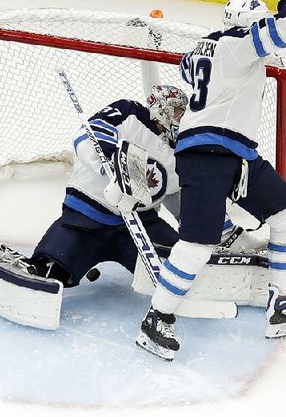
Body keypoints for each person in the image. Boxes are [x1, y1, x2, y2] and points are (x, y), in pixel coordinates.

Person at [137, 0, 286, 361]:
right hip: (209, 152)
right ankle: (156, 318)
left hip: (235, 154)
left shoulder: (204, 48)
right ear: (248, 24)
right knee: (197, 244)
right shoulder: (238, 44)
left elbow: (188, 67)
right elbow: (282, 32)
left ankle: (281, 305)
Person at [27, 85, 190, 287]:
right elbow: (88, 135)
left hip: (139, 224)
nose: (180, 119)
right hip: (86, 219)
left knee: (181, 267)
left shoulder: (178, 151)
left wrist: (197, 226)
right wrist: (111, 162)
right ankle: (49, 267)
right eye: (177, 112)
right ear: (160, 107)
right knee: (49, 271)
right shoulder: (129, 112)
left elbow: (176, 192)